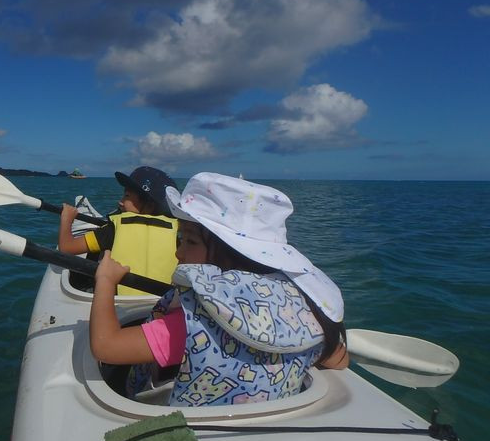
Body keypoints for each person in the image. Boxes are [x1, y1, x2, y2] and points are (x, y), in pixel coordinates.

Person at [90, 172, 348, 406]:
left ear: (232, 255)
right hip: (264, 430)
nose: (178, 252)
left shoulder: (192, 319)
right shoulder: (310, 313)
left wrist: (105, 281)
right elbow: (339, 360)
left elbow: (106, 346)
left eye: (189, 241)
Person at [59, 166, 180, 296]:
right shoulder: (175, 234)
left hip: (120, 305)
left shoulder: (114, 229)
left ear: (150, 205)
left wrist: (67, 219)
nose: (120, 201)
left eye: (127, 196)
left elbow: (66, 248)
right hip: (162, 303)